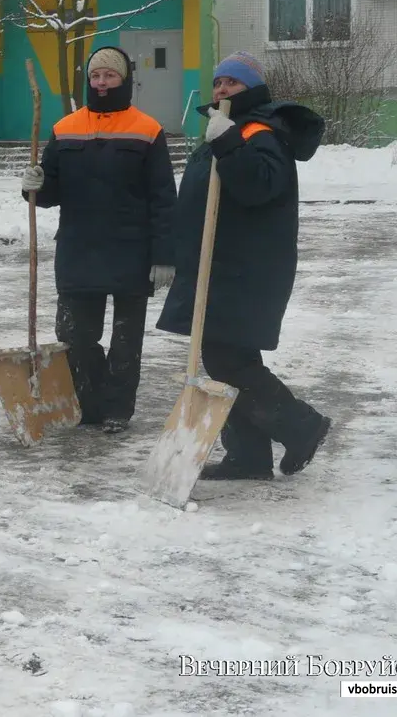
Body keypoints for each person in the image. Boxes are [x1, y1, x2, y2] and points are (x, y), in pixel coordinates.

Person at [157, 51, 332, 479]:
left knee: (228, 362)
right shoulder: (230, 131)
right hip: (217, 267)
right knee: (228, 360)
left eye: (231, 84)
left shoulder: (261, 133)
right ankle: (248, 457)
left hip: (245, 270)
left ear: (252, 88)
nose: (221, 90)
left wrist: (229, 142)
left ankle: (301, 426)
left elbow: (258, 185)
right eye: (217, 83)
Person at [21, 46, 177, 434]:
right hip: (79, 248)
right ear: (88, 81)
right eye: (96, 76)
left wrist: (165, 255)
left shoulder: (147, 129)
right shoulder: (65, 128)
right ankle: (90, 404)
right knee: (74, 336)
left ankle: (117, 408)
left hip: (132, 250)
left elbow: (163, 198)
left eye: (110, 76)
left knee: (126, 342)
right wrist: (34, 186)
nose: (102, 82)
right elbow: (52, 188)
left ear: (124, 79)